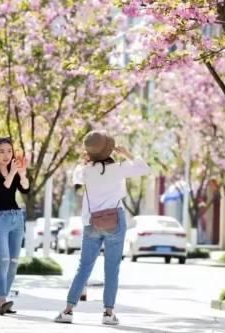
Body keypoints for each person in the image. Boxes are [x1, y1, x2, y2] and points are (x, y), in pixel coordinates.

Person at [54, 130, 150, 326]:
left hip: (92, 222)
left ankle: (68, 310)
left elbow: (76, 178)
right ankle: (108, 313)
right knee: (112, 268)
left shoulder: (86, 171)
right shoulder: (119, 168)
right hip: (115, 220)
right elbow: (143, 168)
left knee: (84, 267)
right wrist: (126, 153)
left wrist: (85, 161)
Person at [0, 137, 29, 316]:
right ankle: (1, 299)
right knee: (3, 260)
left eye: (9, 151)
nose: (6, 155)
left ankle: (3, 301)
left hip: (17, 218)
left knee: (14, 262)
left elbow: (25, 189)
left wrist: (22, 174)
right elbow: (2, 191)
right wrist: (12, 173)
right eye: (1, 151)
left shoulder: (14, 171)